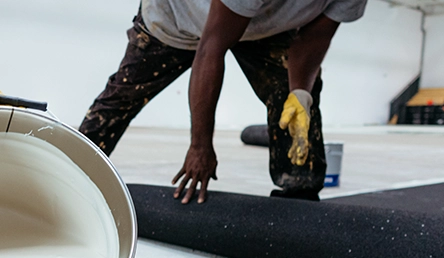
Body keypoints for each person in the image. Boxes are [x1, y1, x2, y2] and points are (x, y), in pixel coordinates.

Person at [80, 0, 365, 203]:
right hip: (176, 19)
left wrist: (300, 92)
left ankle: (298, 197)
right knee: (120, 101)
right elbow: (211, 48)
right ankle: (69, 173)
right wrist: (200, 146)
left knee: (295, 101)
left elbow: (315, 39)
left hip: (262, 26)